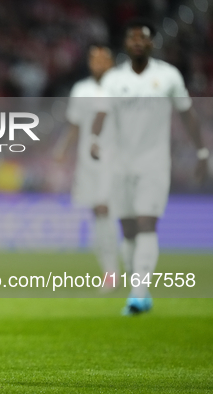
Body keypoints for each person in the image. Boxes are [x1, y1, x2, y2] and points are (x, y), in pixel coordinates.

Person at [90, 19, 208, 315]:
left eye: (143, 38)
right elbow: (101, 113)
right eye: (132, 38)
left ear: (152, 43)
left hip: (154, 162)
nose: (138, 42)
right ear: (127, 44)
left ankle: (138, 292)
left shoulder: (168, 76)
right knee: (128, 229)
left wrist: (203, 151)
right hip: (120, 163)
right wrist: (94, 139)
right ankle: (138, 289)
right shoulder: (114, 80)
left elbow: (187, 114)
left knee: (146, 223)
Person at [55, 45, 119, 289]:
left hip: (112, 158)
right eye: (94, 59)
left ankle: (114, 271)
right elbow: (75, 125)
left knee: (105, 209)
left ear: (111, 62)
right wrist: (62, 148)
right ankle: (109, 270)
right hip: (87, 160)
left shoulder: (121, 88)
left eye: (104, 58)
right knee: (96, 213)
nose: (99, 63)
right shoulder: (81, 89)